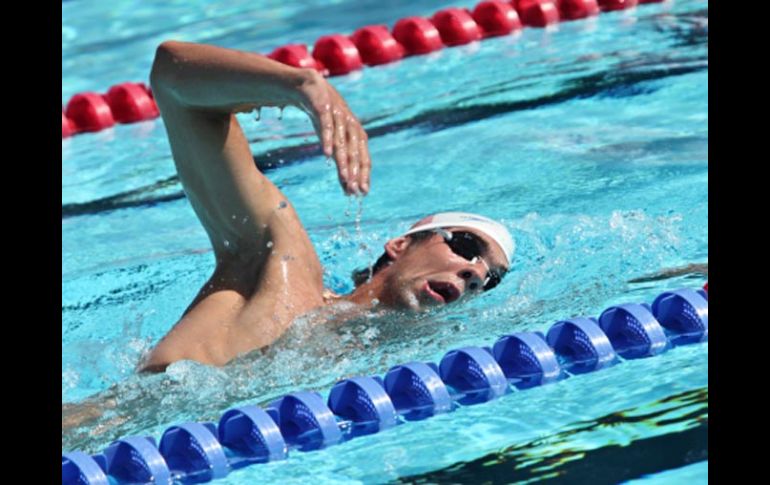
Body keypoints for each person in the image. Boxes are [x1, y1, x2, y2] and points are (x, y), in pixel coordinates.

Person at [139, 41, 513, 373]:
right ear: (400, 245)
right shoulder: (282, 269)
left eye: (490, 280)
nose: (475, 274)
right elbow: (172, 76)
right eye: (465, 247)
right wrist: (300, 85)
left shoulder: (375, 372)